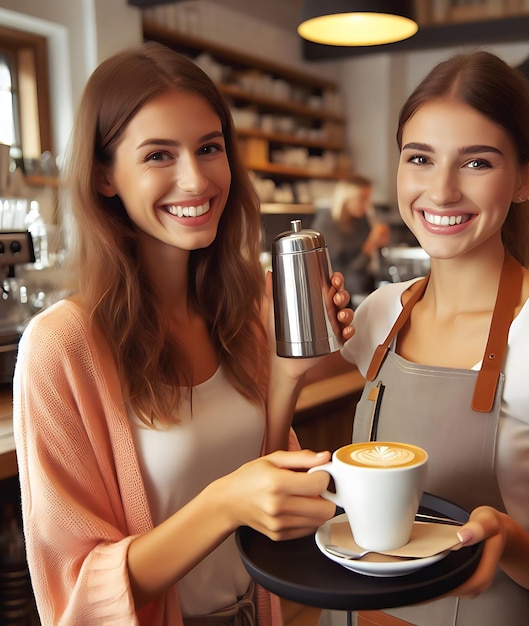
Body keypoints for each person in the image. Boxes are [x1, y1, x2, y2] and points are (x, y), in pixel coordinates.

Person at [12, 42, 353, 625]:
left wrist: (286, 373)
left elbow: (262, 496)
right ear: (104, 176)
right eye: (158, 156)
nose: (195, 179)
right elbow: (76, 590)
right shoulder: (60, 348)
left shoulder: (237, 312)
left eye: (209, 148)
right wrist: (223, 504)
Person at [311, 50, 529, 626]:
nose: (442, 190)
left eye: (476, 163)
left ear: (525, 176)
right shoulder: (380, 314)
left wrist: (509, 539)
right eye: (420, 158)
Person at [312, 174, 390, 299]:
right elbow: (342, 273)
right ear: (346, 198)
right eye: (362, 199)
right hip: (337, 291)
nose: (367, 205)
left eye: (368, 199)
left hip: (362, 287)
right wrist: (370, 246)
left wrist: (380, 244)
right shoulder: (326, 224)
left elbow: (372, 262)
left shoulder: (361, 220)